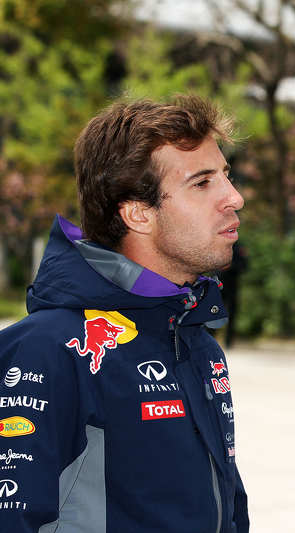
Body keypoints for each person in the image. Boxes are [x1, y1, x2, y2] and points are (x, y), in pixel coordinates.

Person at [0, 94, 249, 532]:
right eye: (202, 182)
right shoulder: (47, 349)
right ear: (138, 213)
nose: (235, 198)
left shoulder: (195, 342)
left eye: (226, 176)